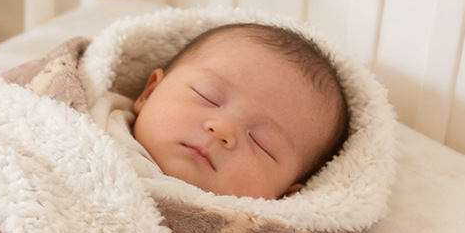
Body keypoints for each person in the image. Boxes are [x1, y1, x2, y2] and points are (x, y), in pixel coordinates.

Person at [92, 21, 349, 199]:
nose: (222, 129)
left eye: (262, 144)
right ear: (148, 94)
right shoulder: (87, 123)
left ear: (285, 194)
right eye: (207, 97)